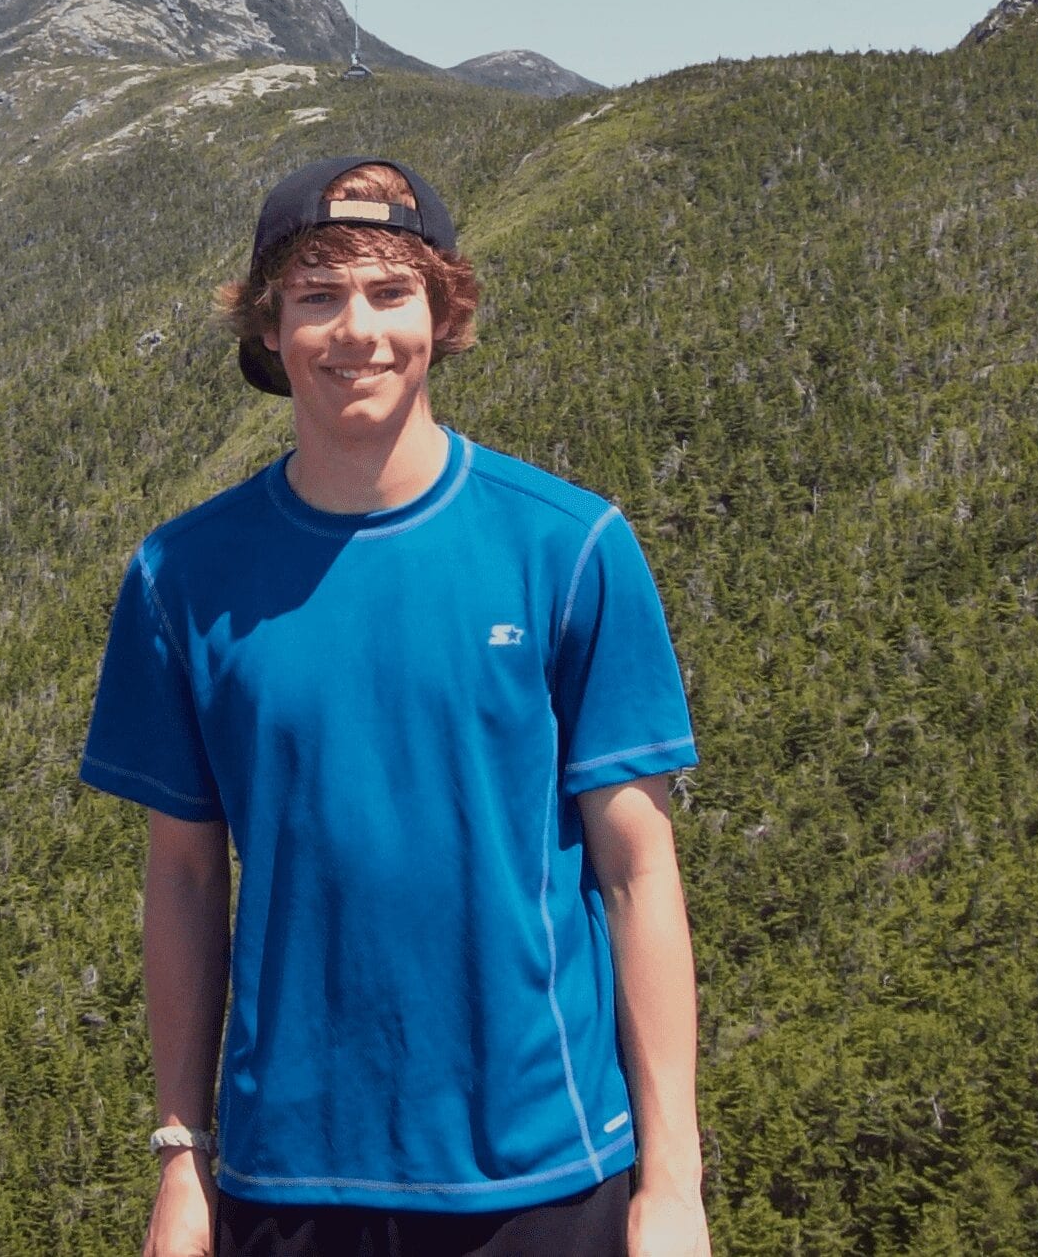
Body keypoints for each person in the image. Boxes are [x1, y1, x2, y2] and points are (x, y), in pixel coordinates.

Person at [80, 156, 710, 1257]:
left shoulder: (567, 550)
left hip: (543, 1169)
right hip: (290, 1173)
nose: (354, 329)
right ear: (269, 331)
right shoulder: (181, 576)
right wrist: (183, 1154)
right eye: (315, 296)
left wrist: (674, 1186)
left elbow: (636, 870)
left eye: (389, 291)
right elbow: (181, 873)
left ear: (443, 314)